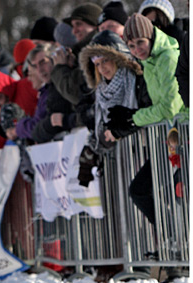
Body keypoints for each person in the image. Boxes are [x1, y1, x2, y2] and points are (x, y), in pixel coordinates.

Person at [104, 14, 185, 225]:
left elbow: (170, 107)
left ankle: (182, 243)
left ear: (151, 37)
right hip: (172, 136)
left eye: (140, 42)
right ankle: (171, 238)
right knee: (140, 190)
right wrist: (130, 117)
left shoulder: (167, 57)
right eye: (131, 45)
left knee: (180, 192)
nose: (137, 49)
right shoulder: (148, 62)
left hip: (184, 132)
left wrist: (133, 118)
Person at [76, 30, 149, 186]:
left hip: (143, 151)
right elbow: (101, 125)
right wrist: (94, 148)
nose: (102, 68)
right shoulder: (100, 91)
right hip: (119, 160)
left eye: (105, 60)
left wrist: (121, 129)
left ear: (117, 58)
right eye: (97, 64)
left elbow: (146, 112)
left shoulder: (136, 79)